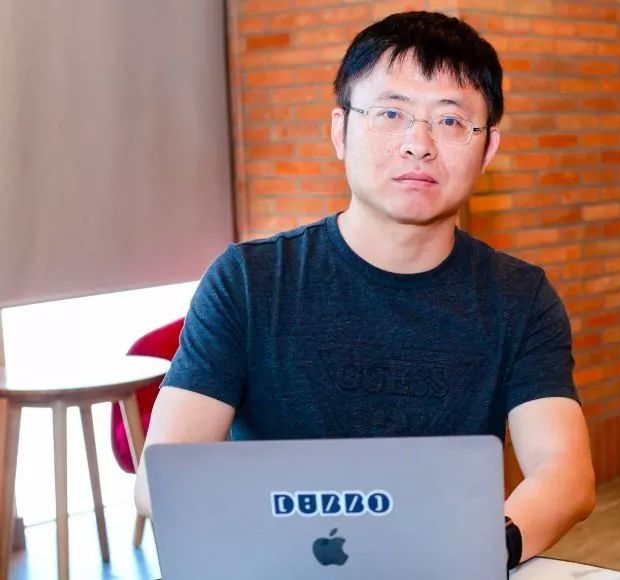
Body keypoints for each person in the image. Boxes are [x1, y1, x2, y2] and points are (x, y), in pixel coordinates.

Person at [135, 11, 595, 569]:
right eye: (390, 114)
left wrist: (478, 550)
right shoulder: (249, 281)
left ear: (488, 148)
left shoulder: (519, 297)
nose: (418, 144)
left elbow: (565, 473)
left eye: (451, 121)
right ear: (340, 131)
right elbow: (163, 477)